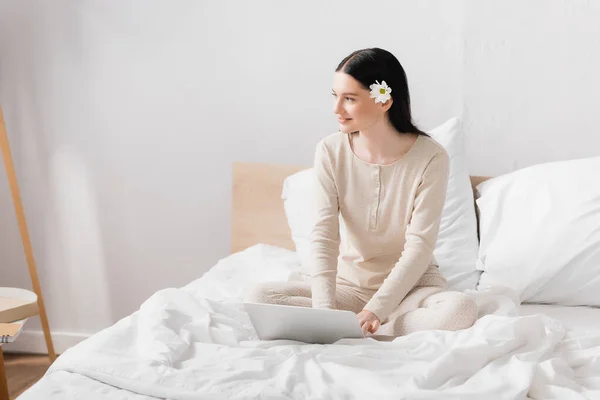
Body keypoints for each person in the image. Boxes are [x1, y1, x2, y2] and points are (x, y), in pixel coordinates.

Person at [244, 48, 478, 338]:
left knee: (460, 310)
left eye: (350, 99)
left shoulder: (431, 157)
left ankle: (368, 326)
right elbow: (324, 236)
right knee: (259, 296)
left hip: (412, 290)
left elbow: (420, 247)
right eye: (335, 96)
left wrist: (376, 310)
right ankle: (354, 325)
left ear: (385, 101)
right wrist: (324, 312)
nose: (336, 109)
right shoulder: (330, 150)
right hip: (348, 288)